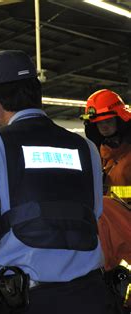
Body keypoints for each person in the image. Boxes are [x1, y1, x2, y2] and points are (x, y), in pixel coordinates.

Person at [0, 50, 107, 314]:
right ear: (36, 92)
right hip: (93, 296)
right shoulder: (87, 149)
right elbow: (93, 218)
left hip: (26, 302)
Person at [82, 89, 131, 312]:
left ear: (120, 118)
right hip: (110, 238)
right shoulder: (101, 156)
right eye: (97, 123)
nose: (102, 127)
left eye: (107, 120)